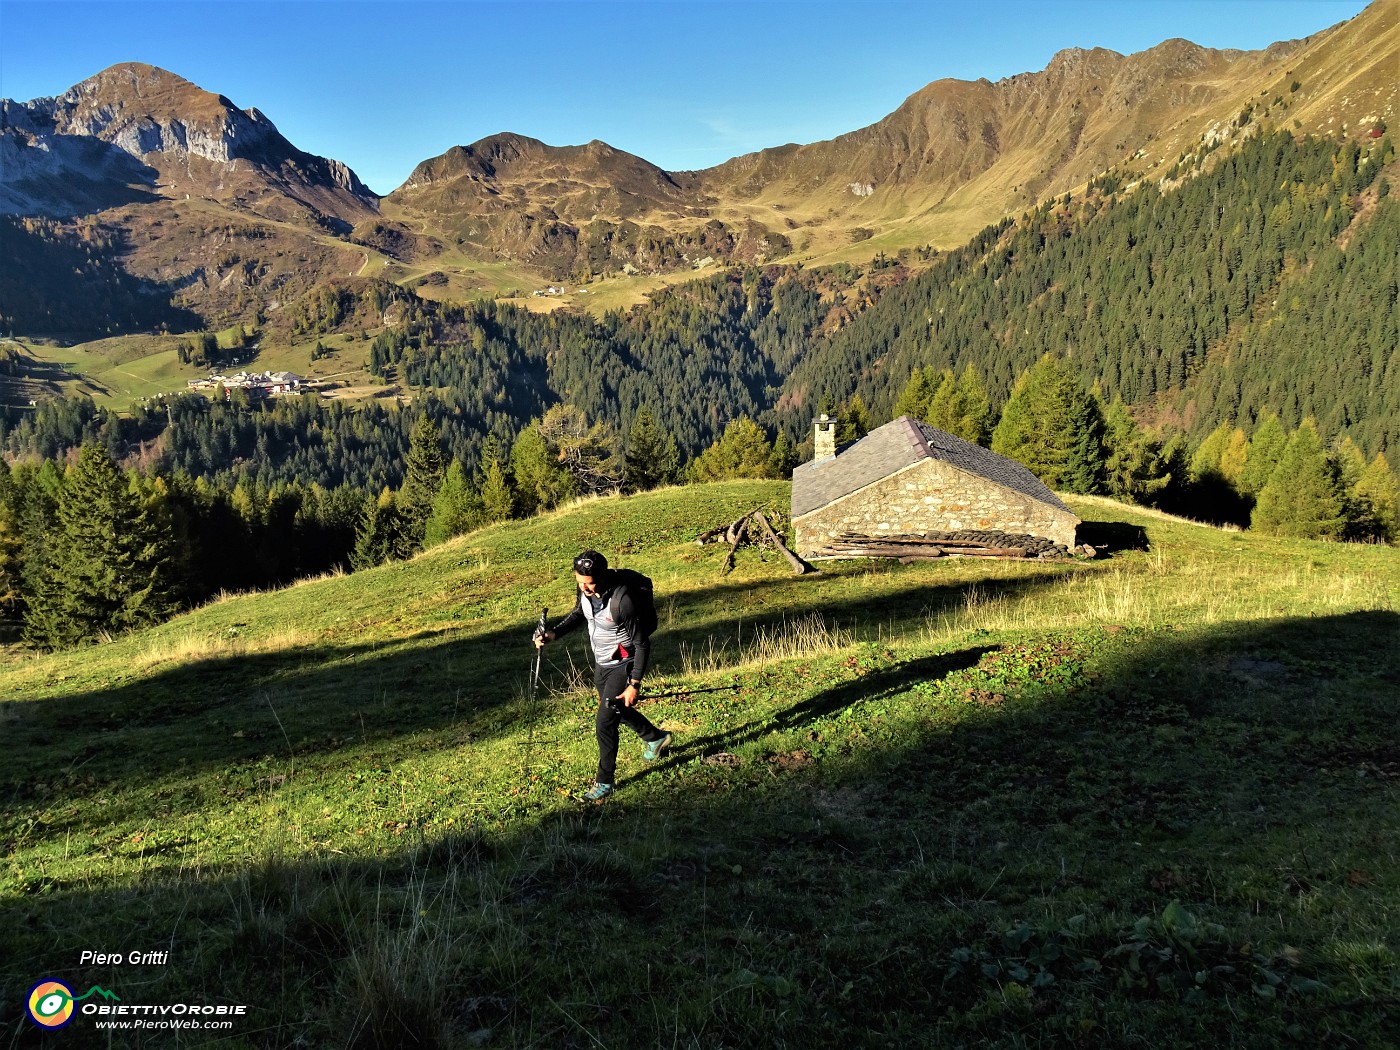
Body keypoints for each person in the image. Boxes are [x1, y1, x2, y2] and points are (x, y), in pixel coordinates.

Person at [534, 550, 671, 800]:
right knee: (617, 708)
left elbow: (642, 644)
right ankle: (656, 737)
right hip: (602, 665)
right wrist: (553, 634)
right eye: (579, 581)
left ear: (604, 576)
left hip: (624, 663)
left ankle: (604, 782)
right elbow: (579, 613)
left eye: (590, 582)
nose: (584, 587)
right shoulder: (584, 589)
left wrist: (634, 684)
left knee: (604, 723)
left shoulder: (622, 600)